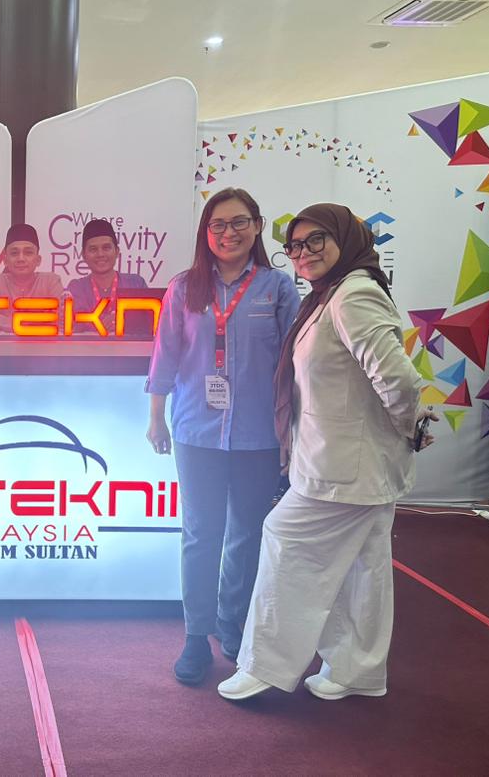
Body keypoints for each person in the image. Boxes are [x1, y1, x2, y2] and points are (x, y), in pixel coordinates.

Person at [218, 203, 434, 702]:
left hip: (343, 467)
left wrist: (410, 427)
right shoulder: (332, 293)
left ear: (345, 239)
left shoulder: (354, 294)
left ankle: (265, 668)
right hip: (353, 462)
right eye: (295, 245)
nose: (303, 253)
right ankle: (357, 672)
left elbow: (397, 379)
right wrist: (406, 430)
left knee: (284, 538)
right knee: (365, 565)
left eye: (316, 240)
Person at [145, 188, 300, 686]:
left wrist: (295, 430)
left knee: (246, 534)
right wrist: (156, 417)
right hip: (196, 431)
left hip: (259, 435)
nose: (228, 233)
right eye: (218, 225)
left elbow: (296, 364)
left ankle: (232, 625)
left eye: (238, 223)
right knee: (200, 533)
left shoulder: (278, 288)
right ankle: (196, 635)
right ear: (205, 233)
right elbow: (166, 355)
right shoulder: (184, 287)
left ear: (257, 226)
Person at [0, 223, 65, 333]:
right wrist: (37, 322)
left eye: (28, 253)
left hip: (42, 343)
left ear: (38, 260)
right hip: (3, 344)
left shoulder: (51, 281)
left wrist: (12, 323)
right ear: (5, 260)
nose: (21, 259)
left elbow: (60, 319)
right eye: (14, 253)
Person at [66, 218, 147, 332]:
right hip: (88, 345)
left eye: (106, 248)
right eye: (93, 249)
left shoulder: (135, 284)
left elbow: (150, 322)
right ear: (84, 255)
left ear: (117, 251)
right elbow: (74, 326)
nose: (100, 254)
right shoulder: (76, 288)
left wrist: (125, 321)